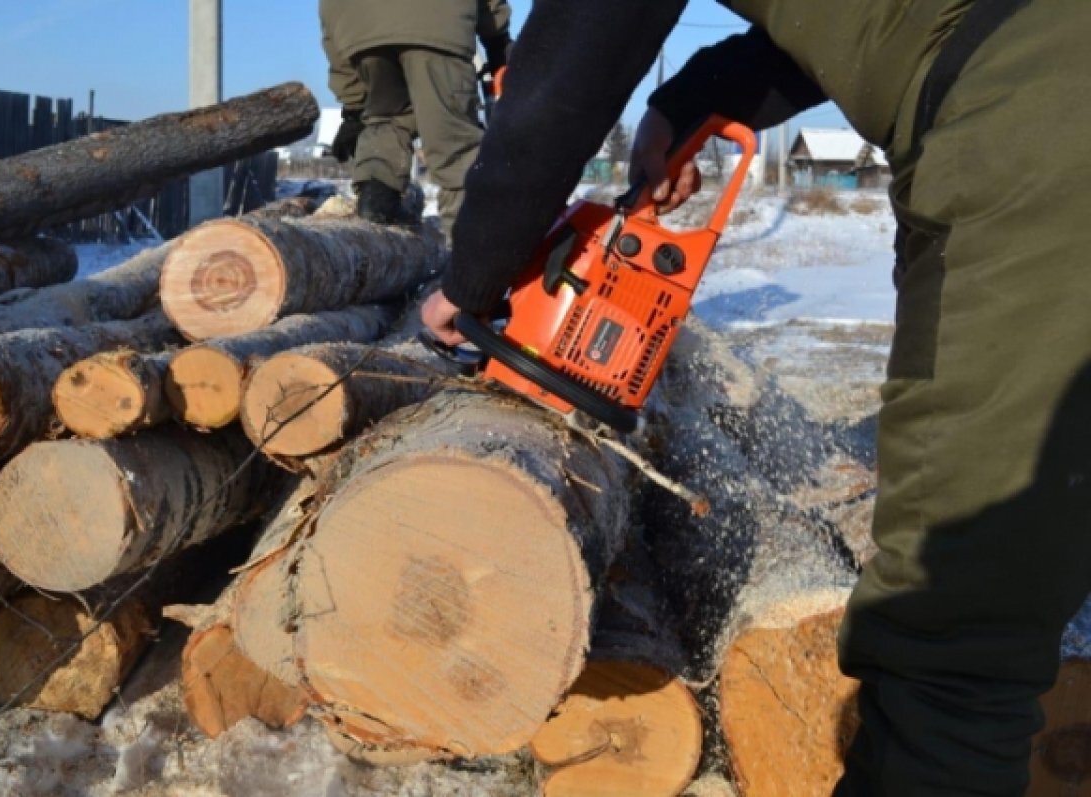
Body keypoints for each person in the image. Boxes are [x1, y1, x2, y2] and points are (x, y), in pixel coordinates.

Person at [422, 1, 1091, 793]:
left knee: (953, 637)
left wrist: (476, 276)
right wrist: (694, 100)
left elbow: (575, 52)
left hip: (1035, 114)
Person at [319, 0, 511, 237]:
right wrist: (497, 40)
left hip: (356, 25)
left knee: (387, 118)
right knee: (454, 148)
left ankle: (376, 206)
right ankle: (472, 255)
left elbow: (330, 27)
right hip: (437, 20)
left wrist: (354, 108)